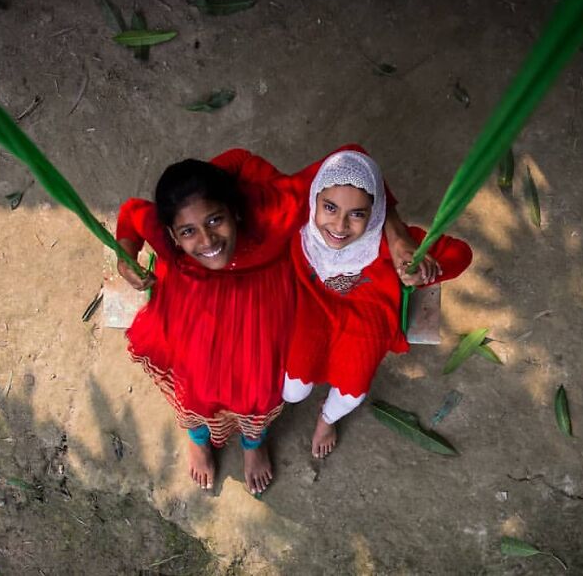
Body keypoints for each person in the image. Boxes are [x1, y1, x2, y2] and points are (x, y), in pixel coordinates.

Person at [116, 150, 327, 494]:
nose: (207, 240)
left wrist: (395, 237)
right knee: (192, 385)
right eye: (188, 231)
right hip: (190, 312)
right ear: (171, 235)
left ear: (237, 212)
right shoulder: (168, 239)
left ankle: (252, 443)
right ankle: (198, 437)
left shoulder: (273, 218)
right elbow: (131, 214)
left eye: (215, 220)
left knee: (259, 390)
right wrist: (125, 258)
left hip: (260, 311)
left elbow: (347, 167)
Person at [281, 148, 473, 458]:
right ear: (313, 197)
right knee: (292, 389)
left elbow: (462, 254)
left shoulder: (390, 244)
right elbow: (353, 152)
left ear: (377, 213)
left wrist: (421, 267)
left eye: (357, 213)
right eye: (329, 207)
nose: (340, 226)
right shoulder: (296, 228)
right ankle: (319, 406)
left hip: (367, 321)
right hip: (312, 311)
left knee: (351, 392)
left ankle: (326, 419)